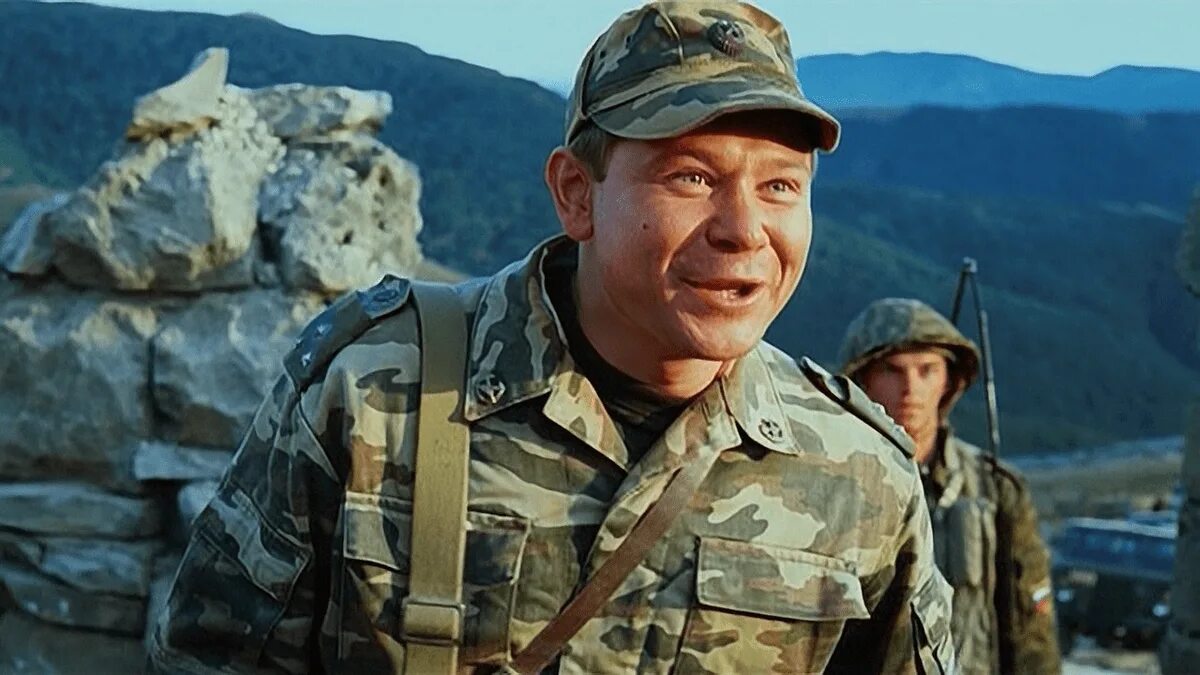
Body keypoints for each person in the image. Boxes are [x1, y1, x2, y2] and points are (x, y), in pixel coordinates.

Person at [149, 3, 956, 673]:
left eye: (780, 185)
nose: (744, 229)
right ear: (577, 194)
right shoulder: (375, 394)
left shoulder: (860, 475)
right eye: (692, 177)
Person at [840, 297, 1061, 674]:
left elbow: (1030, 634)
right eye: (892, 370)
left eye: (927, 370)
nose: (910, 388)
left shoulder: (995, 489)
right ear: (862, 380)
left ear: (949, 380)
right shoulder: (834, 482)